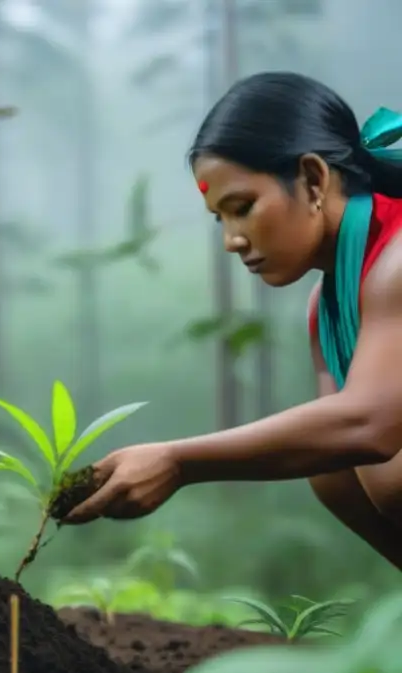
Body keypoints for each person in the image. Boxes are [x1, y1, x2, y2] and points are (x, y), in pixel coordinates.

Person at [64, 72, 402, 571]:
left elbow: (369, 425)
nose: (232, 240)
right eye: (220, 218)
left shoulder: (397, 262)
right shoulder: (326, 311)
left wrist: (180, 461)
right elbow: (338, 440)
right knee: (328, 470)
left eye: (242, 208)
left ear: (313, 179)